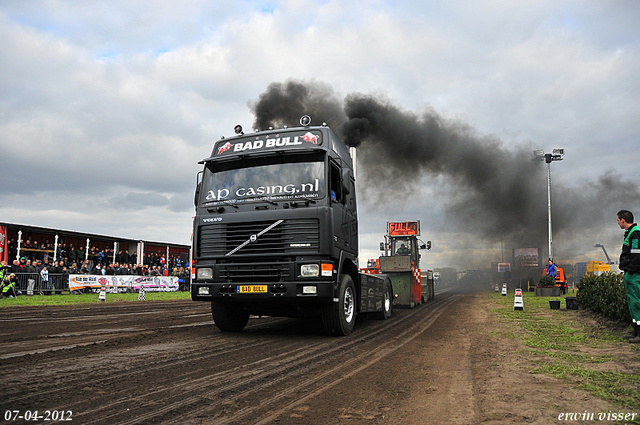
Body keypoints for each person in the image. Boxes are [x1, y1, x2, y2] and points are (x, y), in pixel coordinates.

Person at [617, 210, 640, 343]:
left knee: (637, 302)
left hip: (635, 275)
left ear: (623, 220)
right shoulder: (631, 233)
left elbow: (636, 255)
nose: (618, 223)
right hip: (631, 274)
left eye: (618, 221)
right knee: (633, 303)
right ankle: (635, 330)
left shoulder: (635, 233)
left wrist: (631, 270)